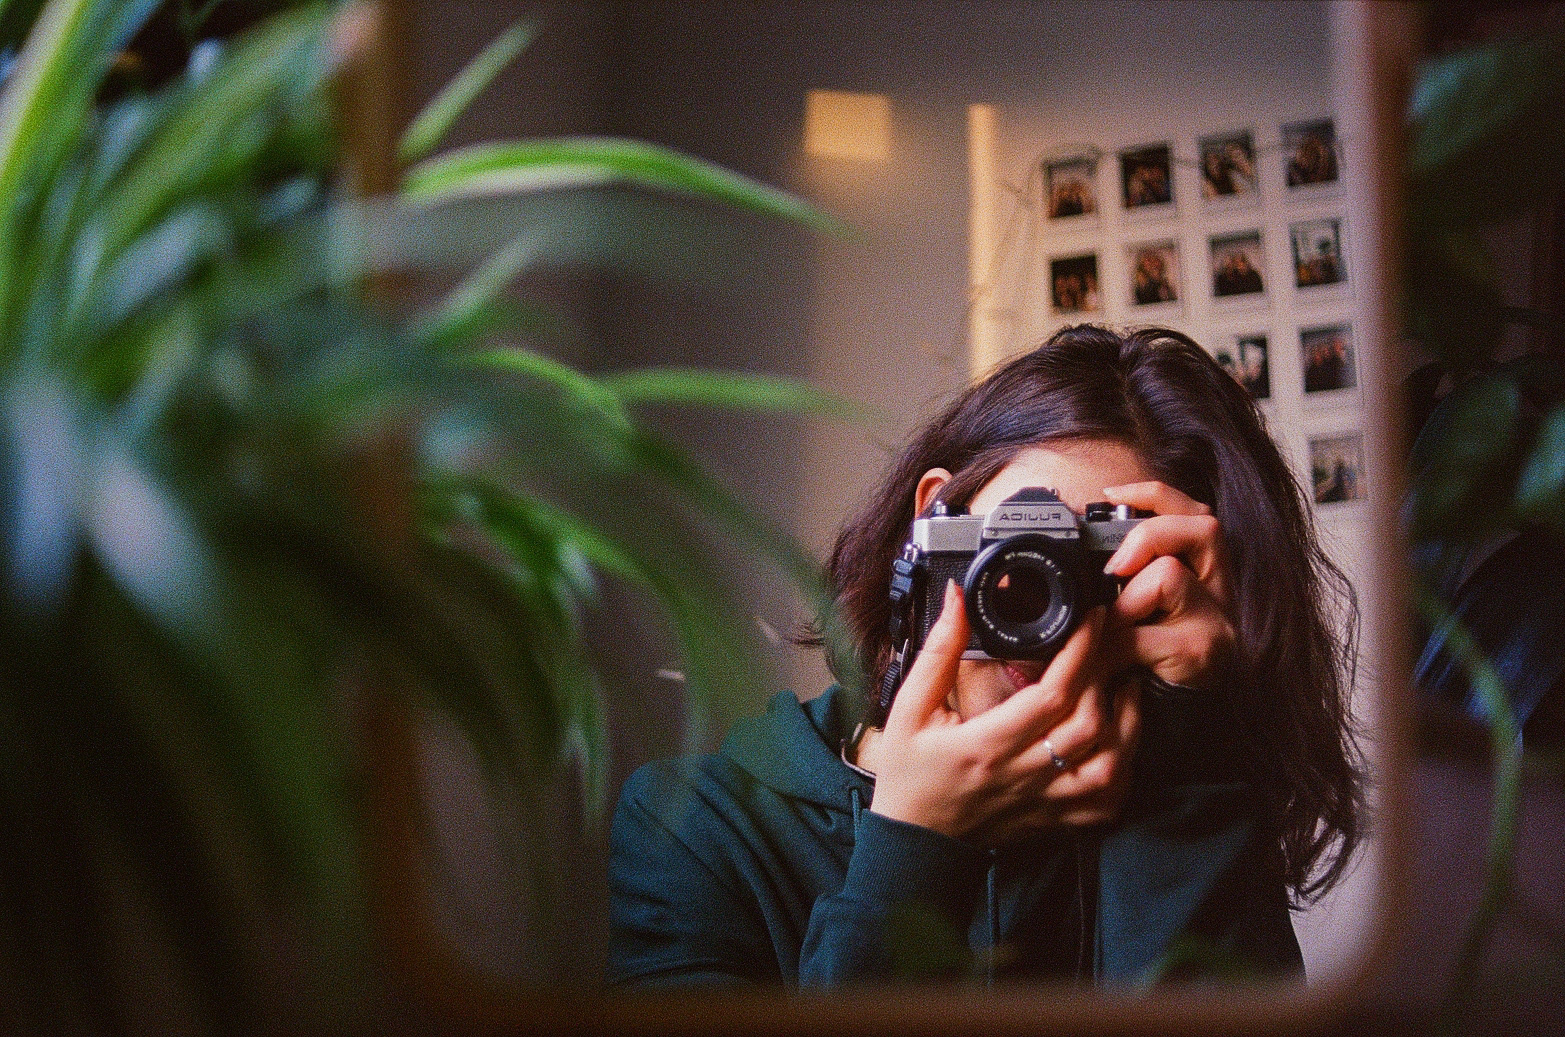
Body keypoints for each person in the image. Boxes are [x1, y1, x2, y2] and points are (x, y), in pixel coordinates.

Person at [607, 325, 1364, 988]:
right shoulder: (695, 825)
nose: (1040, 594)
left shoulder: (1182, 809)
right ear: (933, 519)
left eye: (1097, 563)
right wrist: (913, 846)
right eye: (1017, 543)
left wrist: (1192, 756)